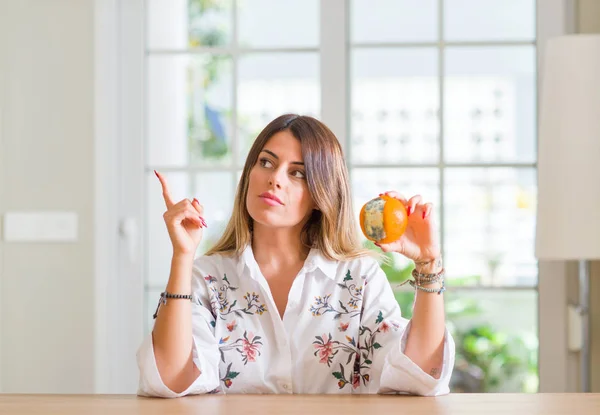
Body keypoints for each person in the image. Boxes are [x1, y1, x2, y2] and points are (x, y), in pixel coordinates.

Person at [136, 114, 455, 397]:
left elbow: (420, 376)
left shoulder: (359, 277)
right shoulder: (206, 275)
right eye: (266, 162)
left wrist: (428, 264)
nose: (275, 178)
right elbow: (171, 381)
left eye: (298, 173)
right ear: (249, 173)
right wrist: (182, 255)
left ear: (321, 194)